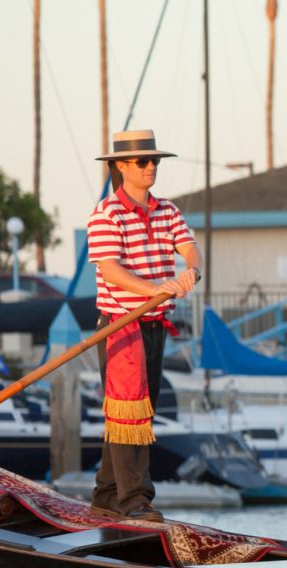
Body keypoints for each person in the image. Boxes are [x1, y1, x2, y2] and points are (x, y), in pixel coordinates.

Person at [87, 130, 201, 522]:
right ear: (121, 166)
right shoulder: (107, 214)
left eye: (155, 160)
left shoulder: (167, 210)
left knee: (139, 411)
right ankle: (135, 499)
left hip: (154, 324)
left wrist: (191, 270)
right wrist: (156, 288)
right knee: (129, 411)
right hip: (120, 327)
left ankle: (105, 494)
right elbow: (111, 270)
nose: (151, 166)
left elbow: (188, 246)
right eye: (142, 161)